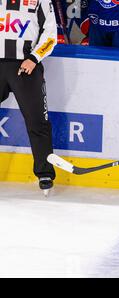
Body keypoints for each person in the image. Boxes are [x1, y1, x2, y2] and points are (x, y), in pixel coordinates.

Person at [0, 0, 57, 195]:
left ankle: (44, 173)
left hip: (26, 66)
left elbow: (50, 35)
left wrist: (33, 58)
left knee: (38, 121)